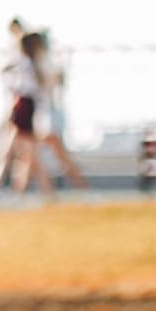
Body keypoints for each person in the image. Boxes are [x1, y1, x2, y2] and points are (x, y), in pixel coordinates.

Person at [0, 24, 42, 203]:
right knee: (24, 152)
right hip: (26, 106)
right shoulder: (33, 63)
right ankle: (14, 191)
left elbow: (5, 70)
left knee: (16, 152)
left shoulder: (24, 63)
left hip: (23, 106)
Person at [21, 31, 90, 196]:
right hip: (46, 115)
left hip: (42, 116)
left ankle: (76, 188)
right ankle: (44, 191)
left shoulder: (35, 66)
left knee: (35, 155)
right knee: (33, 155)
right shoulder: (42, 64)